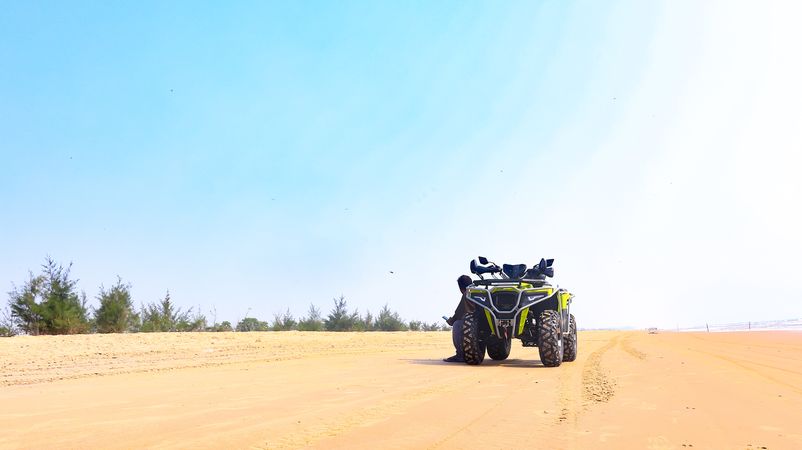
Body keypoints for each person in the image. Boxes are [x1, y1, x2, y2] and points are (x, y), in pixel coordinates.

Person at [443, 275, 474, 363]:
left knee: (457, 324)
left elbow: (460, 312)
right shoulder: (481, 292)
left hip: (475, 324)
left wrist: (451, 321)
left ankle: (460, 355)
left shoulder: (467, 293)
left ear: (460, 288)